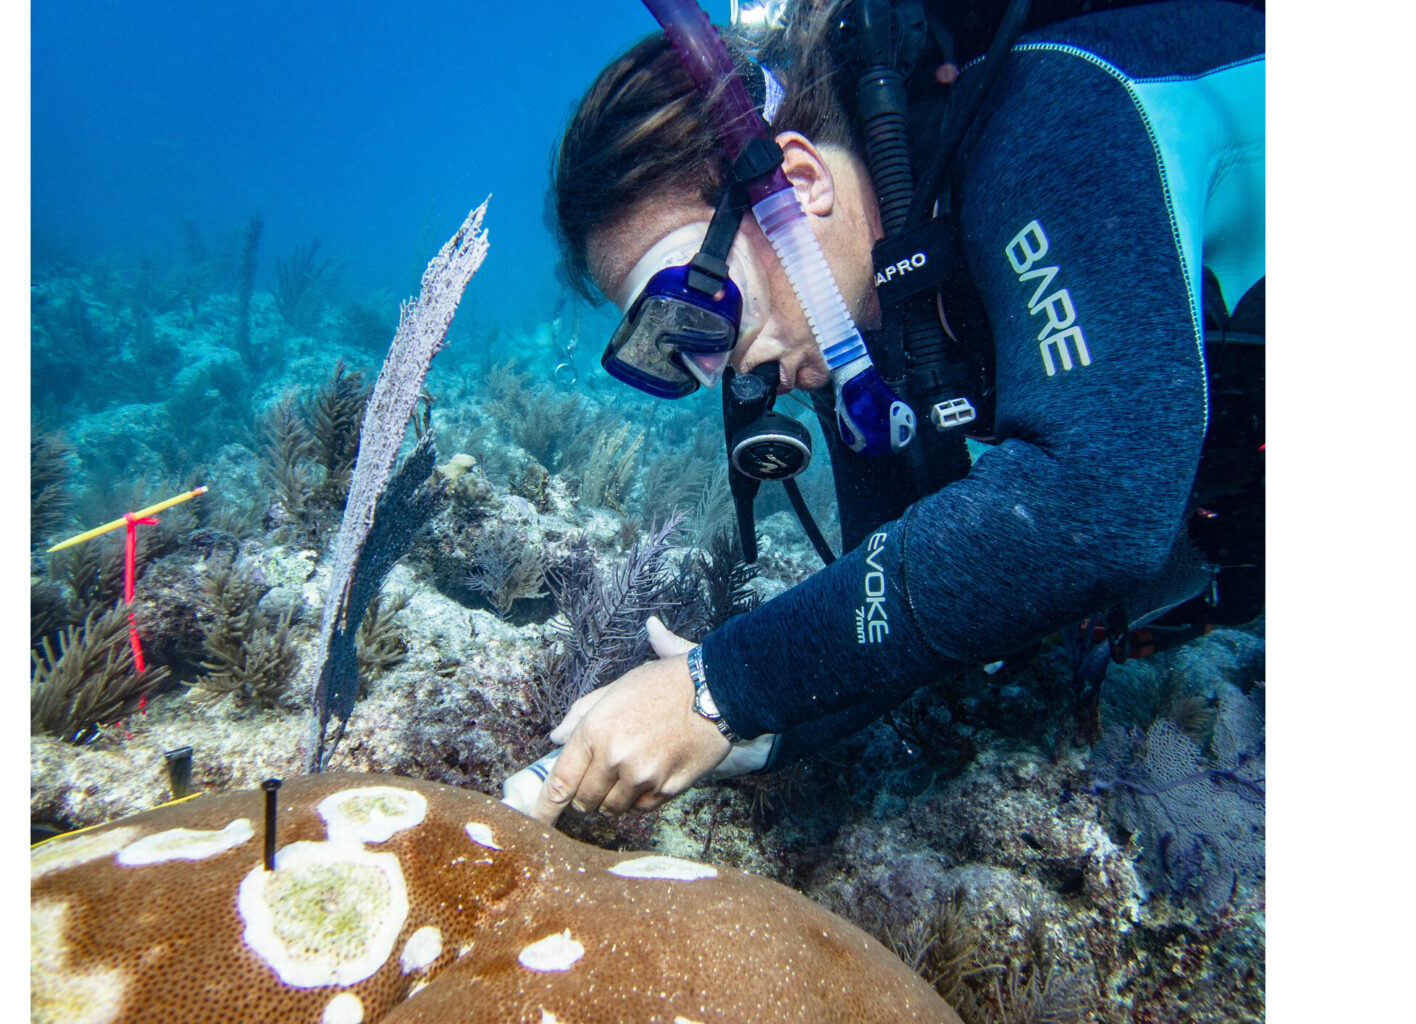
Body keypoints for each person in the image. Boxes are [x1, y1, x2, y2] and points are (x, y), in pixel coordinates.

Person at [523, 0, 1264, 825]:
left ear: (799, 185)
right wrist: (753, 733)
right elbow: (886, 602)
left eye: (695, 302)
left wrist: (716, 690)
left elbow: (1093, 502)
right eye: (670, 347)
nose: (719, 367)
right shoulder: (858, 345)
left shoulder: (1048, 118)